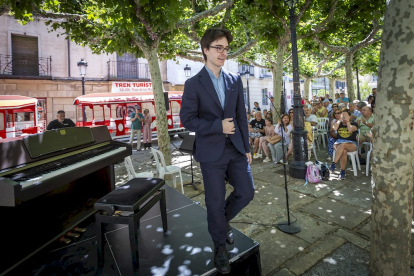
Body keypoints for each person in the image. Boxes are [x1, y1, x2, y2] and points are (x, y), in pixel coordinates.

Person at [180, 28, 254, 275]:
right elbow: (187, 120)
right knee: (213, 202)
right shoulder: (193, 83)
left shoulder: (234, 80)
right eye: (218, 47)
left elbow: (241, 117)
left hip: (235, 149)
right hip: (210, 152)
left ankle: (221, 224)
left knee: (246, 193)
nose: (224, 53)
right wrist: (217, 126)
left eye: (226, 48)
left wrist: (247, 147)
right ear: (205, 50)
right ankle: (220, 246)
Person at [329, 109, 358, 180]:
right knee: (344, 151)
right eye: (343, 116)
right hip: (338, 142)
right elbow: (334, 128)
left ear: (350, 117)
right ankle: (342, 172)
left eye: (346, 116)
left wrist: (348, 121)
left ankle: (334, 163)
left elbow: (351, 129)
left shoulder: (354, 124)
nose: (344, 118)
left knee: (343, 145)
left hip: (351, 143)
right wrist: (339, 120)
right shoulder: (339, 124)